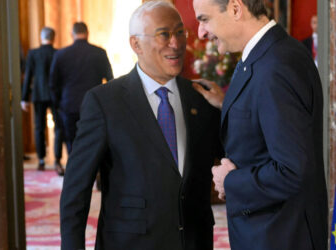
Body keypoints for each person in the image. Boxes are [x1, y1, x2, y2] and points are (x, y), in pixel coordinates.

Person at [60, 1, 223, 249]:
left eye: (180, 32)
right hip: (130, 242)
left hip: (194, 240)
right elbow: (76, 191)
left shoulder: (202, 97)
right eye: (164, 34)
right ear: (136, 44)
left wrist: (228, 109)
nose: (176, 43)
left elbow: (235, 154)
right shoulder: (104, 102)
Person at [192, 0, 328, 250]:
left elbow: (292, 170)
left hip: (280, 236)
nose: (201, 32)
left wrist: (229, 181)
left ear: (235, 9)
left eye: (204, 19)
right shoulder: (265, 54)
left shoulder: (277, 65)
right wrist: (227, 105)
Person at [49, 22, 113, 153]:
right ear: (87, 33)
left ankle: (75, 171)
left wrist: (58, 104)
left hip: (69, 105)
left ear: (71, 34)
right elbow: (110, 80)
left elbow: (53, 84)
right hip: (94, 105)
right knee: (94, 142)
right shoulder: (99, 53)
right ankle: (94, 172)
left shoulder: (61, 54)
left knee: (72, 143)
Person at [21, 27, 64, 175]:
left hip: (38, 95)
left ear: (41, 37)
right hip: (55, 96)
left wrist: (23, 98)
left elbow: (28, 77)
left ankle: (41, 160)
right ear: (54, 37)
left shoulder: (33, 53)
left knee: (39, 127)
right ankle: (57, 159)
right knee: (58, 128)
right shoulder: (58, 53)